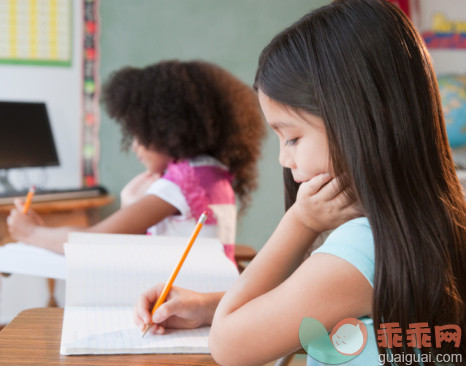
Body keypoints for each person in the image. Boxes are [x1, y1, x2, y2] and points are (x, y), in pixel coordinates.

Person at [134, 1, 466, 365]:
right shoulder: (433, 221)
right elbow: (304, 303)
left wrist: (300, 222)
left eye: (292, 137)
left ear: (358, 124)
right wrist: (207, 306)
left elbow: (229, 346)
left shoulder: (360, 250)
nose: (283, 158)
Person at [7, 60, 266, 262]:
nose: (133, 146)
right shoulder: (212, 172)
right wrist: (132, 204)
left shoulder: (182, 183)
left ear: (169, 128)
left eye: (139, 132)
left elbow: (94, 242)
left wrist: (30, 233)